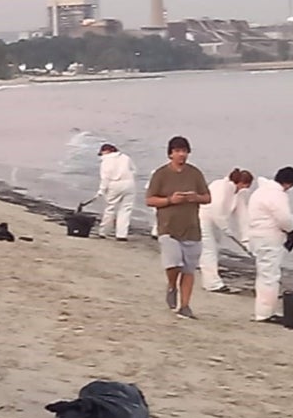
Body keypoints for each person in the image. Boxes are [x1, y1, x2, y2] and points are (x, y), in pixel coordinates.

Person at [145, 136, 211, 319]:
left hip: (191, 228)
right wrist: (169, 200)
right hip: (168, 227)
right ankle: (172, 285)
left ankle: (185, 305)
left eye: (184, 151)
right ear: (170, 153)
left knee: (189, 270)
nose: (181, 154)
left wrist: (194, 197)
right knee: (174, 263)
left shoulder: (195, 173)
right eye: (178, 151)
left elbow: (207, 197)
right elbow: (149, 200)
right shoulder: (161, 174)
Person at [245, 166, 293, 322]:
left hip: (256, 236)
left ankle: (263, 310)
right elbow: (284, 219)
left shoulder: (260, 191)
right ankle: (265, 313)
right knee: (270, 276)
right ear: (288, 183)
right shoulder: (277, 195)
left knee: (263, 274)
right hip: (269, 239)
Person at [199, 168, 254, 293]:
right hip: (203, 219)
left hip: (217, 223)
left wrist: (246, 239)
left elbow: (242, 216)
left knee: (215, 249)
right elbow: (215, 209)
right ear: (241, 183)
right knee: (209, 250)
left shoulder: (238, 193)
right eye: (246, 186)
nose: (246, 190)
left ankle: (212, 276)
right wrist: (226, 228)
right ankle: (211, 284)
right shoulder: (221, 187)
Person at [95, 143, 137, 241]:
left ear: (105, 151)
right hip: (129, 183)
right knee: (126, 209)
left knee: (110, 208)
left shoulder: (106, 161)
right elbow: (134, 170)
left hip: (114, 184)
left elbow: (105, 178)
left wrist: (101, 190)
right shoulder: (125, 157)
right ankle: (122, 234)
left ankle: (104, 232)